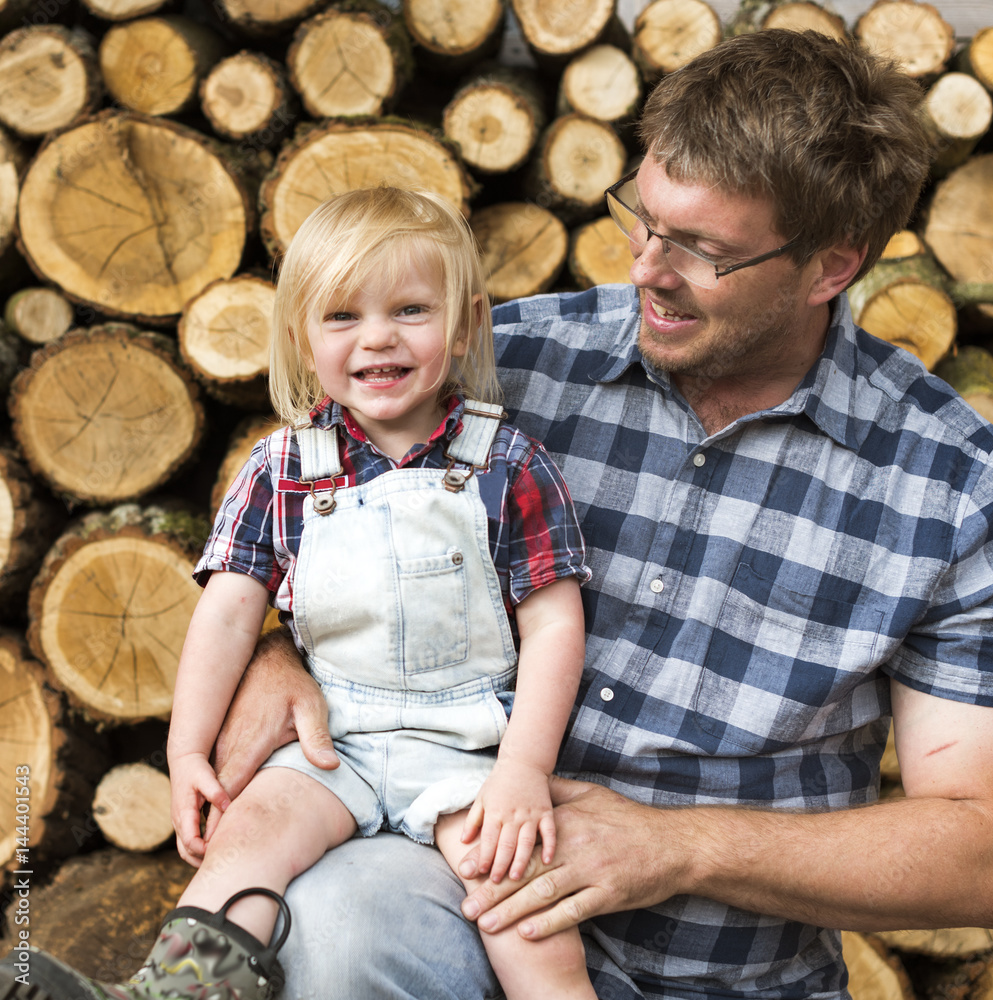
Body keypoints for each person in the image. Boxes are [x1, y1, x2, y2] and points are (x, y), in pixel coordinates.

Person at [159, 28, 993, 1000]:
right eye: (641, 219)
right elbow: (305, 511)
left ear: (829, 268)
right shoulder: (495, 363)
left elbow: (981, 849)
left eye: (701, 250)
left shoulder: (950, 486)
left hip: (725, 972)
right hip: (452, 881)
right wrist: (272, 648)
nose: (646, 268)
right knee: (346, 918)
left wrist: (677, 846)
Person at [3, 187, 594, 1000]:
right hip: (332, 743)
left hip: (463, 754)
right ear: (300, 336)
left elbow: (556, 623)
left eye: (411, 310)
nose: (378, 337)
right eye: (342, 316)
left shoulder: (509, 465)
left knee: (522, 900)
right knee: (252, 837)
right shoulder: (282, 468)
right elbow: (228, 614)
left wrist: (524, 770)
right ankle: (169, 992)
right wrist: (186, 750)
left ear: (464, 326)